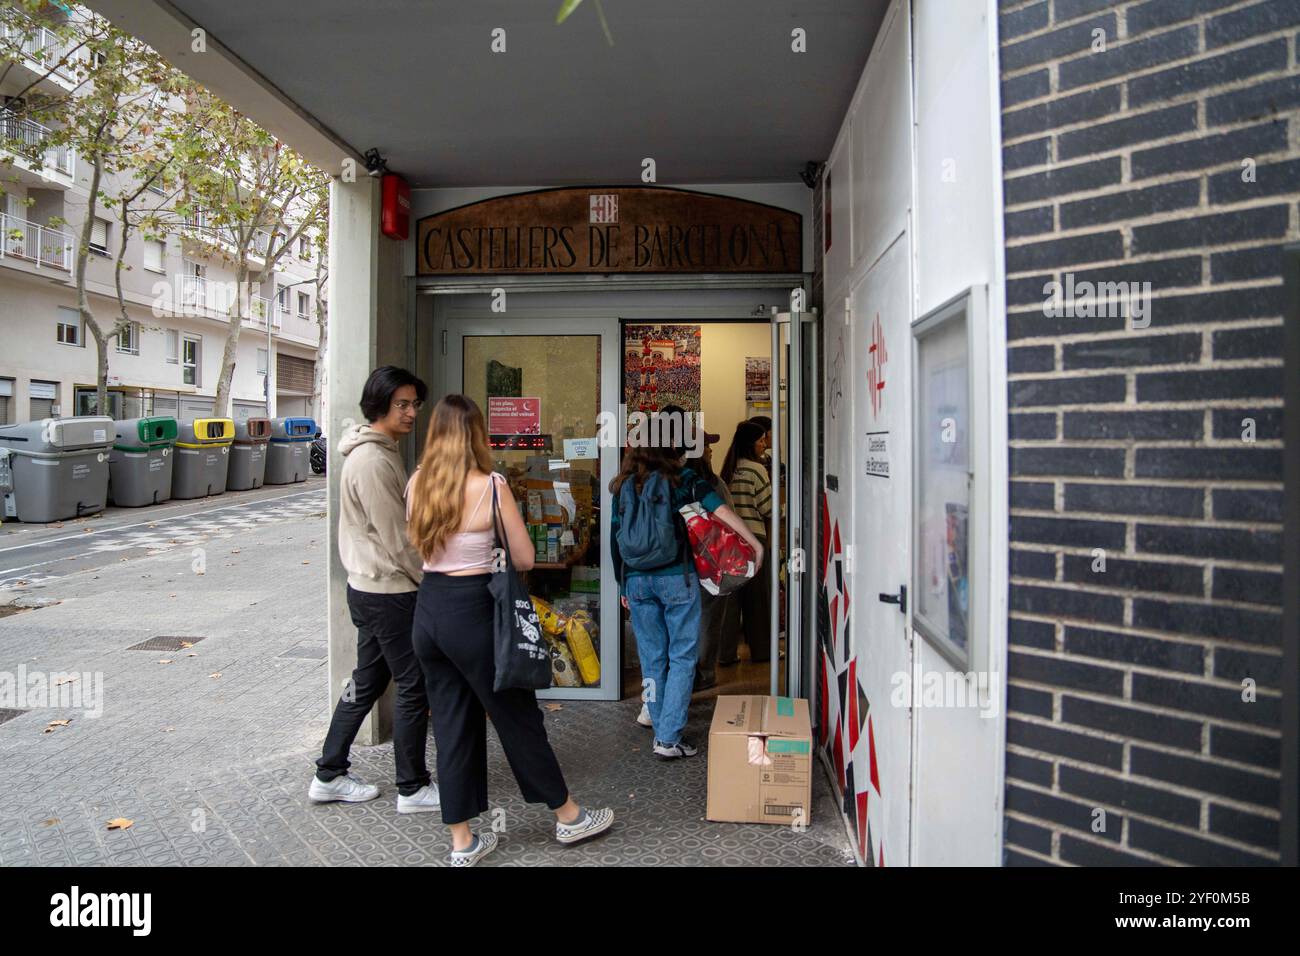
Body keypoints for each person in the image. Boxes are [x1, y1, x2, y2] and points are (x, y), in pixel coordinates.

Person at [406, 394, 613, 867]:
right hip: (473, 611)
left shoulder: (416, 483)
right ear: (476, 435)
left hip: (430, 610)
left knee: (452, 725)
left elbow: (417, 548)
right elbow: (522, 558)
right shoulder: (490, 486)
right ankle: (568, 815)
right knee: (517, 716)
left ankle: (462, 842)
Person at [309, 366, 440, 814]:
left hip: (370, 588)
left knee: (366, 683)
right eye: (401, 404)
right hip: (387, 591)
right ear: (379, 405)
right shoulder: (373, 460)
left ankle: (329, 773)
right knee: (412, 685)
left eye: (414, 404)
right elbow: (398, 539)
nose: (410, 412)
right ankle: (412, 787)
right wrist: (432, 580)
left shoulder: (378, 452)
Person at [613, 411, 763, 758]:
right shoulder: (683, 479)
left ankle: (658, 718)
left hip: (636, 581)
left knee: (653, 658)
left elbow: (613, 539)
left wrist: (623, 585)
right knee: (681, 657)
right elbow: (719, 510)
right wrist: (753, 544)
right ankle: (668, 738)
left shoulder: (622, 485)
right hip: (676, 578)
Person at [722, 420, 774, 665]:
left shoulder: (728, 468)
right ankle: (762, 651)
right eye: (761, 440)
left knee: (731, 601)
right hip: (754, 538)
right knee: (756, 601)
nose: (764, 444)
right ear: (751, 443)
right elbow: (767, 508)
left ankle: (726, 654)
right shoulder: (757, 469)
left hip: (730, 541)